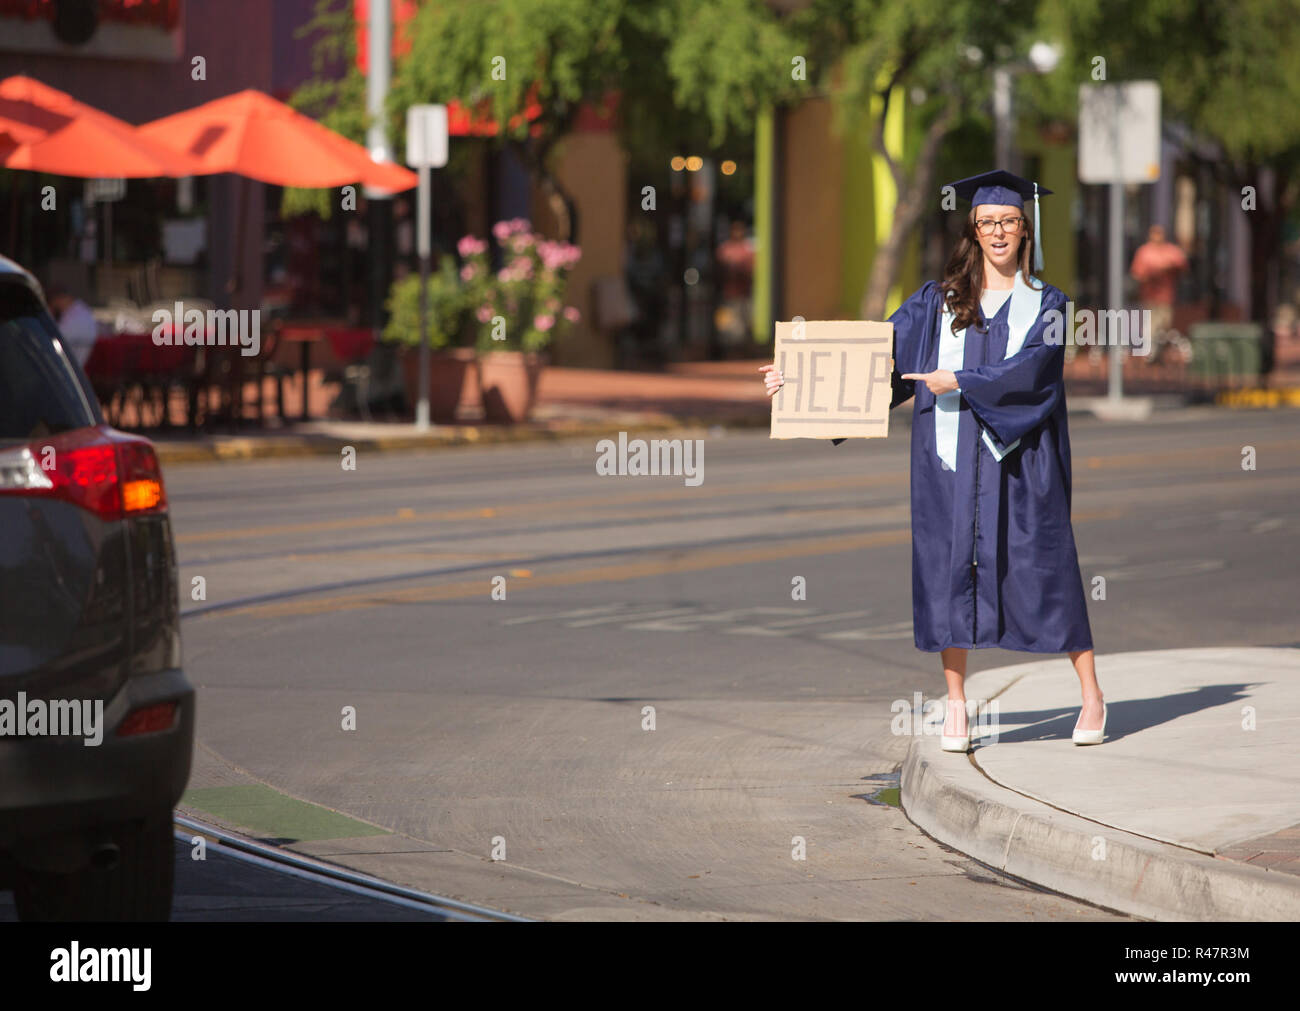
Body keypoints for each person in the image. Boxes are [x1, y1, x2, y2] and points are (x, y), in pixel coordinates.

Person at [759, 169, 1105, 751]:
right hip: (947, 464)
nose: (999, 232)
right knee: (950, 578)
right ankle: (957, 708)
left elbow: (1036, 375)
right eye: (988, 222)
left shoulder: (1048, 303)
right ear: (973, 229)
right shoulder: (935, 302)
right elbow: (875, 359)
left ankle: (1092, 695)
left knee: (1047, 569)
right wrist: (795, 382)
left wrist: (962, 380)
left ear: (1026, 232)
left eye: (1010, 222)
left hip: (1020, 464)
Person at [1129, 224, 1189, 358]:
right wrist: (1152, 273)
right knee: (1150, 326)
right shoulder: (1144, 252)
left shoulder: (1170, 251)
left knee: (1165, 326)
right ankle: (1149, 353)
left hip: (1166, 297)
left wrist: (1165, 268)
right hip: (1149, 297)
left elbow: (1182, 264)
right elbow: (1137, 274)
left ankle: (1159, 353)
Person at [45, 282, 99, 367]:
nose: (54, 305)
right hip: (69, 364)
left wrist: (49, 314)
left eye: (53, 302)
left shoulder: (79, 315)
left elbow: (52, 338)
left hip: (71, 367)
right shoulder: (73, 311)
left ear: (59, 299)